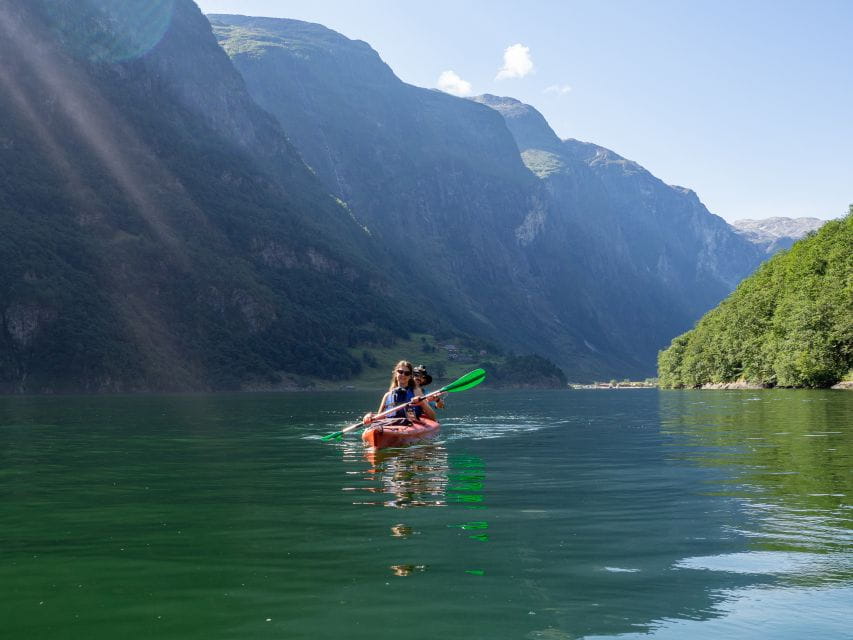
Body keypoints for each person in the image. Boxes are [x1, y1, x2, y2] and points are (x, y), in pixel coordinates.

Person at [363, 360, 436, 425]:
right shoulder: (387, 395)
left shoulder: (416, 391)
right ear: (396, 373)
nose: (403, 375)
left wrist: (422, 403)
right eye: (400, 372)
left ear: (410, 376)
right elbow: (379, 416)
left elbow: (433, 417)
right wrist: (370, 416)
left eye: (407, 373)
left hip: (411, 425)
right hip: (391, 424)